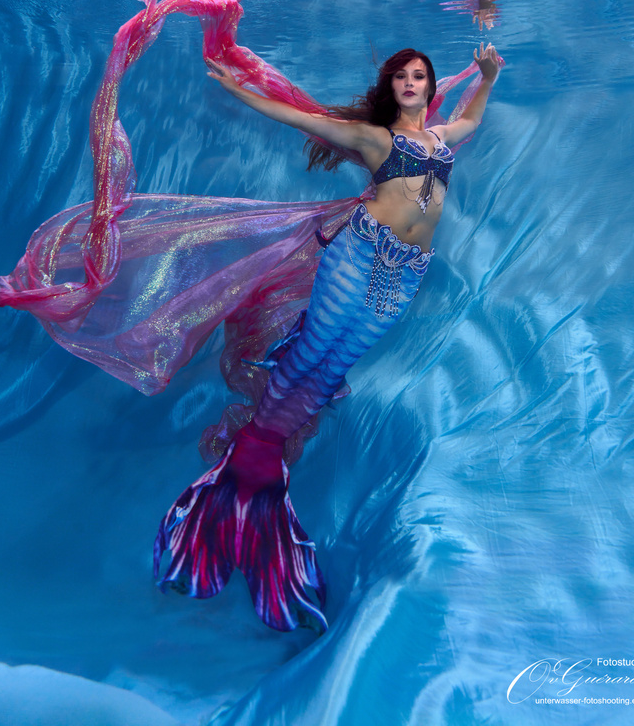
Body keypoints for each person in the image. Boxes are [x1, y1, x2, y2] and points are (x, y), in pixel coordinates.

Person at [153, 41, 501, 633]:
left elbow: (470, 118)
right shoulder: (378, 141)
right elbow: (298, 118)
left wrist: (488, 76)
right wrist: (235, 88)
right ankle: (246, 465)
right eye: (401, 77)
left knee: (331, 371)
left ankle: (256, 480)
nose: (411, 84)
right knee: (311, 353)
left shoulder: (441, 141)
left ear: (430, 84)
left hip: (406, 272)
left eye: (420, 76)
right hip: (360, 256)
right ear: (390, 87)